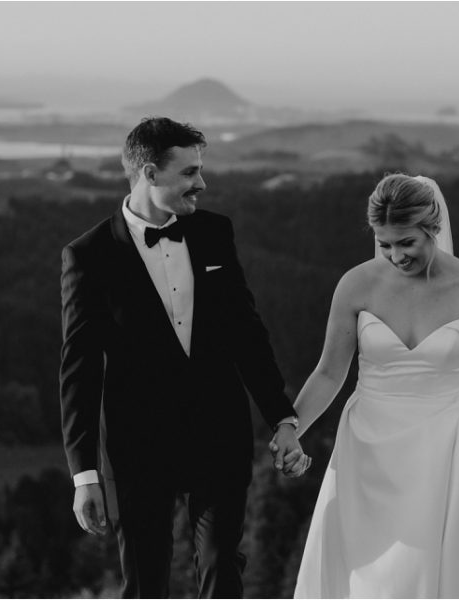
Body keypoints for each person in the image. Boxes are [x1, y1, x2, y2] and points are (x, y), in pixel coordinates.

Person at [59, 117, 310, 598]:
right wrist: (83, 473)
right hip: (139, 444)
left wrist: (282, 416)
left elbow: (246, 333)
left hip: (220, 431)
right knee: (146, 578)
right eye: (190, 172)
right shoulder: (88, 256)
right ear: (150, 174)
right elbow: (79, 369)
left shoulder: (215, 232)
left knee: (221, 565)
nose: (202, 182)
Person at [291, 174, 459, 598]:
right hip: (367, 446)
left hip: (443, 444)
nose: (395, 256)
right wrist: (290, 430)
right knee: (367, 571)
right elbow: (330, 371)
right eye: (385, 244)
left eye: (407, 243)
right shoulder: (356, 285)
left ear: (433, 227)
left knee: (434, 568)